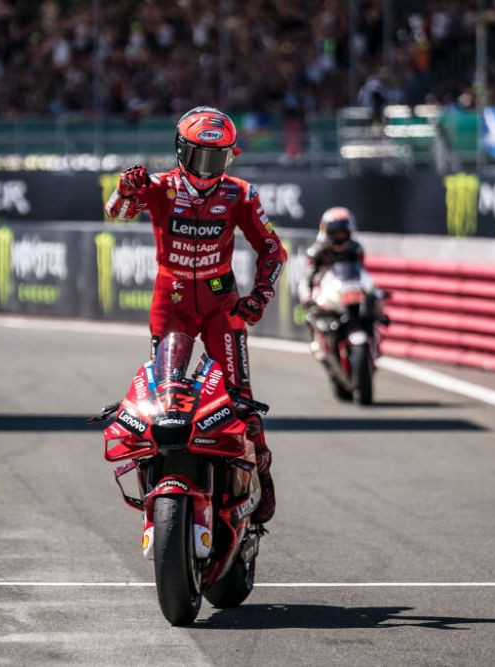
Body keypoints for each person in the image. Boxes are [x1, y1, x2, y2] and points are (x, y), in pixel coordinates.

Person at [104, 105, 286, 524]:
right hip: (172, 304)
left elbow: (273, 250)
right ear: (180, 150)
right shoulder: (159, 186)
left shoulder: (241, 193)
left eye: (218, 158)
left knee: (241, 402)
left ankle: (262, 472)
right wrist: (126, 190)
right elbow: (116, 213)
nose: (208, 169)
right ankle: (158, 484)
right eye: (200, 157)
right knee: (164, 397)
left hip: (222, 300)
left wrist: (259, 296)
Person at [303, 206, 364, 300]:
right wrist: (308, 293)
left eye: (342, 232)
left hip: (350, 294)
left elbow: (361, 273)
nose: (339, 236)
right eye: (335, 232)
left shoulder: (355, 249)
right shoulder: (316, 252)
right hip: (325, 297)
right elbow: (308, 278)